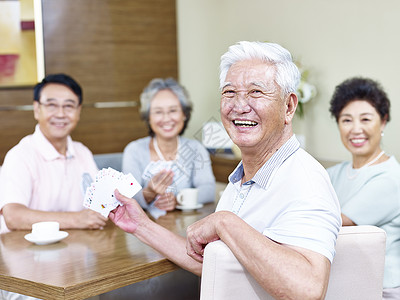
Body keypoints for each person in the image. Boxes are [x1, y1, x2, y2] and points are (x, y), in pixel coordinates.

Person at [110, 41, 341, 299]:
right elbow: (216, 263)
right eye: (229, 92)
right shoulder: (242, 178)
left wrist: (224, 222)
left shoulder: (304, 179)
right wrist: (141, 225)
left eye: (256, 92)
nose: (239, 105)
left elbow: (307, 289)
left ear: (288, 107)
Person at [0, 73, 108, 234]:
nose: (60, 114)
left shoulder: (82, 152)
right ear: (37, 109)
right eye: (51, 105)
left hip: (77, 246)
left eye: (69, 106)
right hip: (26, 250)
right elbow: (13, 216)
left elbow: (102, 201)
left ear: (79, 111)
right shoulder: (19, 156)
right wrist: (77, 219)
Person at [327, 77, 400, 299]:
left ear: (383, 121)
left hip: (380, 288)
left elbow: (333, 222)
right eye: (346, 120)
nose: (356, 129)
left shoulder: (391, 178)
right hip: (339, 281)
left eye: (366, 119)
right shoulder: (334, 173)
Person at [122, 78, 216, 212]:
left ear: (184, 114)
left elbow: (209, 190)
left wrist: (177, 200)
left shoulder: (196, 149)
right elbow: (127, 199)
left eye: (173, 110)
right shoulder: (134, 150)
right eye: (158, 112)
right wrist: (150, 192)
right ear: (148, 117)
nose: (166, 118)